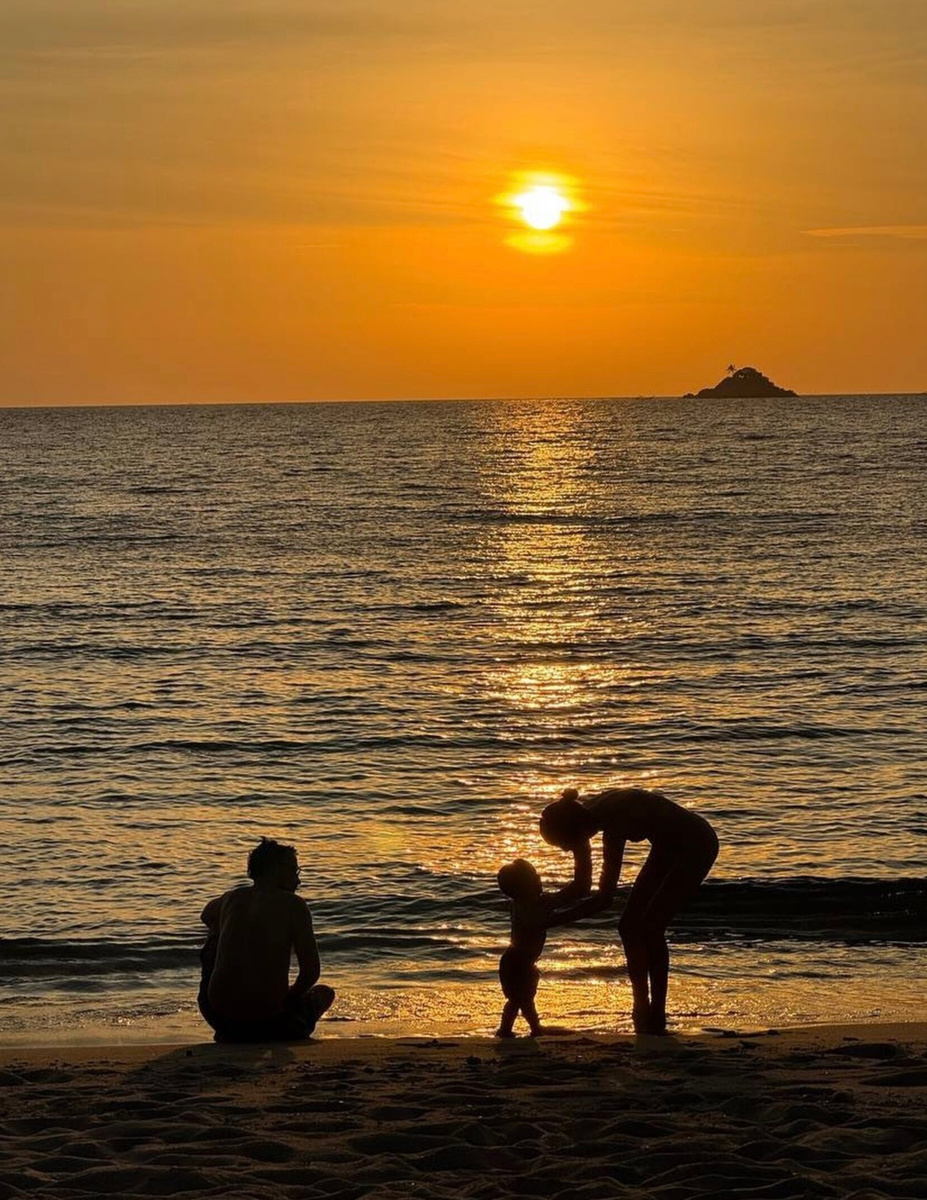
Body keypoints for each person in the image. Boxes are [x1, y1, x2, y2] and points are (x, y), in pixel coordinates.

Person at [539, 786, 718, 1035]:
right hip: (666, 846)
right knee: (628, 926)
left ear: (579, 833)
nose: (567, 852)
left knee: (651, 929)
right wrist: (546, 904)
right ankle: (640, 1005)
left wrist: (552, 921)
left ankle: (656, 1012)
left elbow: (604, 898)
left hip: (697, 844)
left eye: (566, 846)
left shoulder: (613, 823)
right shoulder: (581, 813)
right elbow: (582, 885)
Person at [198, 837, 335, 1043]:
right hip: (270, 1021)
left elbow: (206, 915)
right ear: (276, 869)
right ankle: (284, 1025)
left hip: (219, 1017)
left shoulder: (232, 898)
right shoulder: (294, 905)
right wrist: (289, 997)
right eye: (295, 871)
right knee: (324, 993)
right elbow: (310, 972)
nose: (298, 880)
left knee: (214, 937)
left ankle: (235, 1019)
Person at [495, 857, 609, 1037]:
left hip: (519, 960)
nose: (539, 879)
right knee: (519, 999)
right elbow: (546, 919)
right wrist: (579, 912)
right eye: (534, 877)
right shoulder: (528, 906)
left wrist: (580, 889)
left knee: (524, 999)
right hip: (518, 963)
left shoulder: (526, 903)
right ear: (523, 887)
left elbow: (562, 898)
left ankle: (530, 1027)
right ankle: (509, 1029)